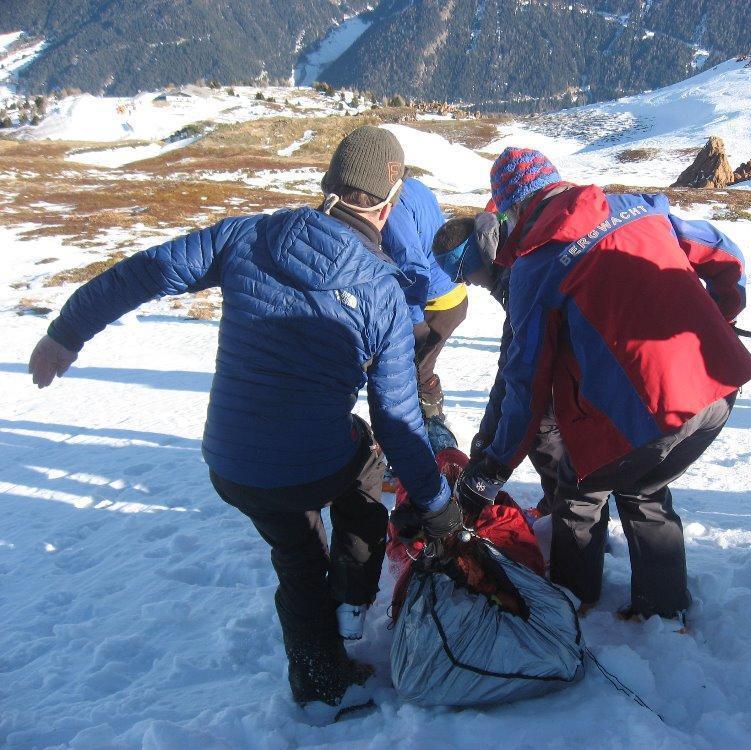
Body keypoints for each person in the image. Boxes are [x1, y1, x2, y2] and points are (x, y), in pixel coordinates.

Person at [26, 125, 462, 711]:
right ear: (389, 203)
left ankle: (320, 660)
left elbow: (145, 272)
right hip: (311, 463)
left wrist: (67, 331)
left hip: (231, 466)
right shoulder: (382, 292)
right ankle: (342, 627)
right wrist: (437, 505)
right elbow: (398, 418)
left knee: (296, 552)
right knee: (363, 481)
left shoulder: (249, 234)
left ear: (328, 185)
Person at [455, 148, 751, 624]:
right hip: (716, 389)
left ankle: (573, 604)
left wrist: (493, 466)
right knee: (645, 487)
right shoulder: (637, 207)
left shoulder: (536, 266)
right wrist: (720, 316)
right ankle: (664, 613)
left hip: (648, 411)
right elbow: (725, 252)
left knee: (581, 490)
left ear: (512, 209)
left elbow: (525, 383)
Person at [432, 212, 565, 513]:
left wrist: (493, 461)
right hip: (561, 357)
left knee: (541, 427)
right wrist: (485, 438)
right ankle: (564, 505)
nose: (463, 282)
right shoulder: (508, 270)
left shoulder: (518, 274)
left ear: (476, 258)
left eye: (461, 272)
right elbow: (510, 362)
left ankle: (570, 511)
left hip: (575, 362)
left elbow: (520, 377)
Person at [381, 176, 468, 449]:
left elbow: (413, 267)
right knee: (416, 371)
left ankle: (431, 445)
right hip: (449, 295)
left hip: (435, 303)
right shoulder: (413, 185)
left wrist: (417, 323)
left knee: (410, 375)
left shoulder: (392, 207)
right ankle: (430, 437)